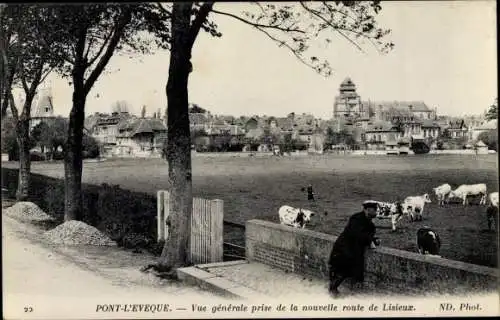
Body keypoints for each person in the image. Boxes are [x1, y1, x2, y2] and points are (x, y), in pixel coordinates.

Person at [327, 200, 380, 297]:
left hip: (353, 250)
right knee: (342, 270)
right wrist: (370, 240)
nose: (376, 212)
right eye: (374, 210)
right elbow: (356, 233)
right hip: (344, 248)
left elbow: (365, 235)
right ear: (367, 210)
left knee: (349, 271)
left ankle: (336, 288)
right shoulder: (356, 218)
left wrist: (373, 240)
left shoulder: (370, 225)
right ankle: (333, 289)